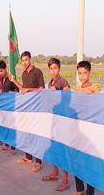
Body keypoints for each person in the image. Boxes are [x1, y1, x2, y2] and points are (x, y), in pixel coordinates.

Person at [10, 51, 45, 172]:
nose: (25, 63)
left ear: (30, 59)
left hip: (37, 108)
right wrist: (14, 80)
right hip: (28, 108)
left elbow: (41, 89)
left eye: (26, 60)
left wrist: (30, 89)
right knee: (27, 132)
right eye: (23, 61)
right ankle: (28, 157)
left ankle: (38, 161)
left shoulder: (38, 72)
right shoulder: (24, 73)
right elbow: (23, 89)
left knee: (36, 134)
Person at [41, 58, 70, 192]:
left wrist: (57, 91)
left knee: (62, 150)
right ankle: (55, 172)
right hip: (53, 118)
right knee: (53, 147)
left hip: (62, 120)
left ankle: (65, 179)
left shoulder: (63, 82)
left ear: (59, 68)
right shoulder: (49, 82)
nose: (53, 71)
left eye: (55, 68)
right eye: (51, 68)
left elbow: (68, 97)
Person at [74, 61, 97, 195]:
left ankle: (90, 192)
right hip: (79, 130)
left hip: (90, 131)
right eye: (80, 73)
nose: (82, 76)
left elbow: (99, 107)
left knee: (89, 163)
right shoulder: (77, 90)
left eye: (85, 73)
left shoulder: (94, 90)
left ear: (89, 73)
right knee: (77, 160)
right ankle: (79, 190)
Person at [0, 60, 18, 153]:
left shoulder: (11, 79)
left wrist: (12, 93)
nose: (0, 73)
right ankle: (6, 144)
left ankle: (13, 147)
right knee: (5, 125)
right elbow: (2, 88)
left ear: (5, 69)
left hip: (12, 107)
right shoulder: (2, 79)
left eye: (1, 71)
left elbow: (17, 92)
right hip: (5, 107)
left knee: (11, 127)